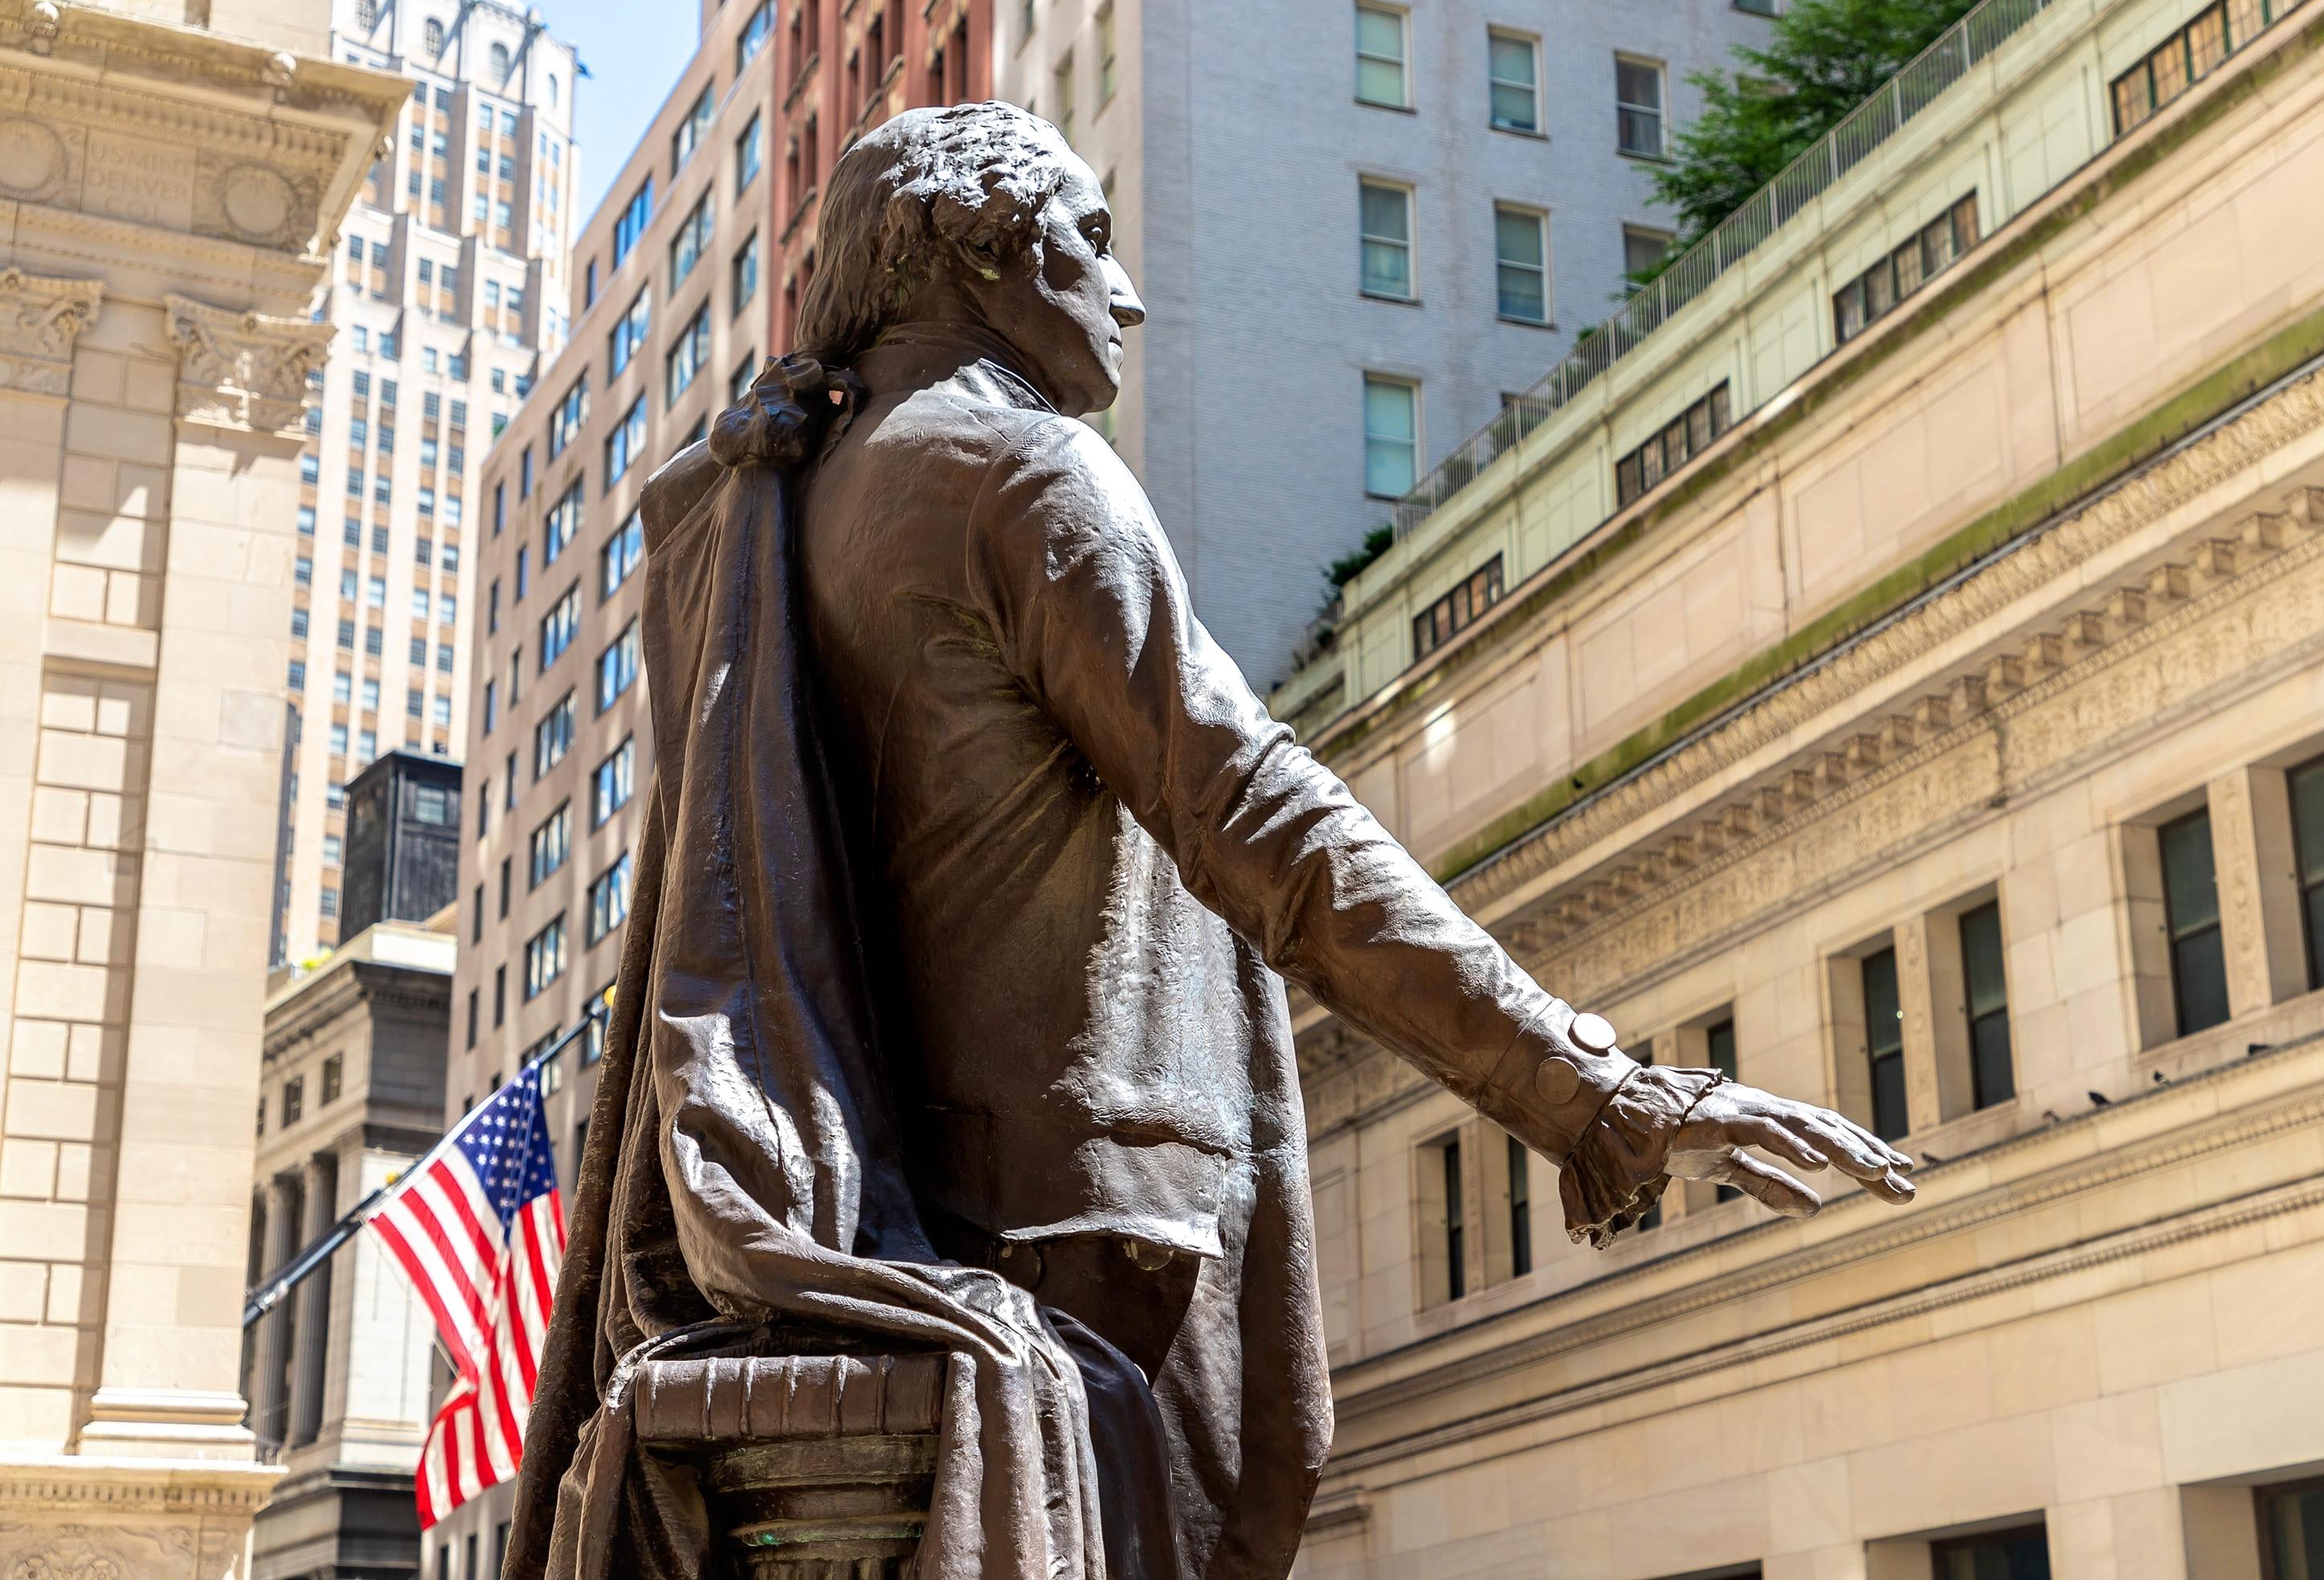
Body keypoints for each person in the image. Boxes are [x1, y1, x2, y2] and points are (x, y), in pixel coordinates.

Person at [509, 102, 1913, 1580]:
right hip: (1079, 1236)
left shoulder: (779, 504)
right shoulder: (1020, 472)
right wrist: (1589, 1087)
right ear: (981, 248)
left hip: (904, 1217)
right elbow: (1258, 812)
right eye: (1092, 239)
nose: (1126, 291)